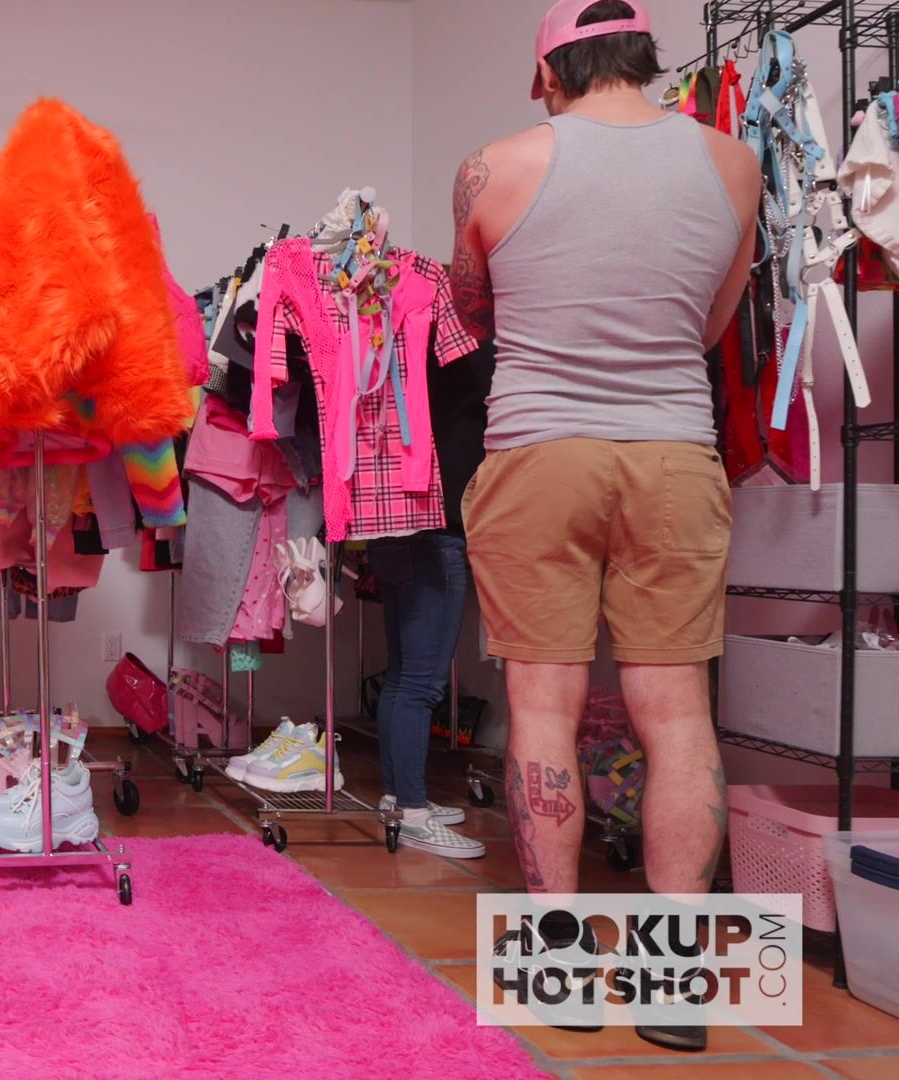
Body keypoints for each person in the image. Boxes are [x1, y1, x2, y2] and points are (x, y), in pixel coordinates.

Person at [447, 0, 760, 1051]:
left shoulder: (492, 167)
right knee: (677, 713)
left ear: (549, 74)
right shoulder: (733, 164)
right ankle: (675, 988)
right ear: (644, 58)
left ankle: (559, 973)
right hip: (673, 454)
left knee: (544, 709)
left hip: (539, 453)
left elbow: (475, 311)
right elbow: (714, 321)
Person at [367, 338, 494, 861]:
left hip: (393, 527)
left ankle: (397, 797)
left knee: (403, 676)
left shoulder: (402, 347)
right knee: (420, 683)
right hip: (437, 532)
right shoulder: (469, 354)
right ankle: (414, 813)